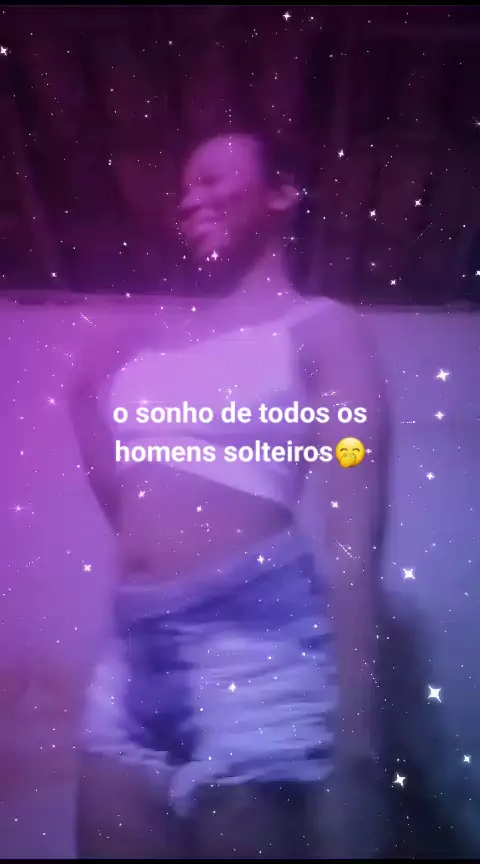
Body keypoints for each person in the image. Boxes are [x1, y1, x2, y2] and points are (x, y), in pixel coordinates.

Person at [70, 129, 390, 859]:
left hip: (257, 647)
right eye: (185, 187)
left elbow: (351, 528)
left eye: (212, 179)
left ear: (282, 193)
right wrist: (82, 399)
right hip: (133, 649)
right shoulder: (154, 346)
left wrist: (359, 749)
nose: (191, 199)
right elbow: (130, 499)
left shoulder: (321, 327)